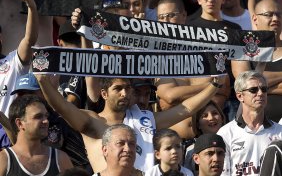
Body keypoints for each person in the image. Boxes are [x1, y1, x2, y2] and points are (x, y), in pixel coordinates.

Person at [35, 73, 225, 173]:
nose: (124, 93)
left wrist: (213, 86)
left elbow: (186, 109)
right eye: (118, 88)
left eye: (127, 88)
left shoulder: (145, 119)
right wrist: (43, 81)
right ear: (104, 94)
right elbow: (62, 107)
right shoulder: (92, 122)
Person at [155, 0, 229, 140]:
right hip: (175, 142)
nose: (166, 22)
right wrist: (212, 86)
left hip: (213, 138)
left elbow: (224, 88)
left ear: (184, 16)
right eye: (161, 17)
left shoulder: (206, 48)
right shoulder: (158, 56)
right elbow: (169, 96)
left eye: (171, 16)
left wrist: (180, 95)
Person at [10, 72, 93, 174]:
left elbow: (83, 163)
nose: (24, 98)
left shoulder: (62, 120)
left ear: (44, 92)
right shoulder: (16, 122)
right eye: (20, 94)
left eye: (30, 93)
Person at [217, 70, 282, 175]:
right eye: (253, 90)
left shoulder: (280, 131)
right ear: (240, 96)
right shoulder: (226, 133)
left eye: (264, 89)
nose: (260, 93)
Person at [231, 0, 282, 122]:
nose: (275, 19)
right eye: (268, 15)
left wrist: (258, 88)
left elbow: (252, 87)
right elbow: (245, 84)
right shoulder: (242, 50)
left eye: (278, 14)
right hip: (253, 128)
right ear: (255, 19)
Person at [0, 95, 73, 175]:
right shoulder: (3, 160)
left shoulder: (61, 159)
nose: (46, 121)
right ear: (20, 123)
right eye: (38, 117)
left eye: (46, 116)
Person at [0, 0, 38, 117]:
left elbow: (29, 40)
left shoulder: (12, 62)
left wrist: (32, 8)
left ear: (0, 38)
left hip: (9, 133)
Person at [183, 100, 226, 173]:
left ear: (222, 118)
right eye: (204, 116)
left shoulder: (233, 141)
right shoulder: (191, 150)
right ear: (198, 124)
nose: (211, 118)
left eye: (215, 113)